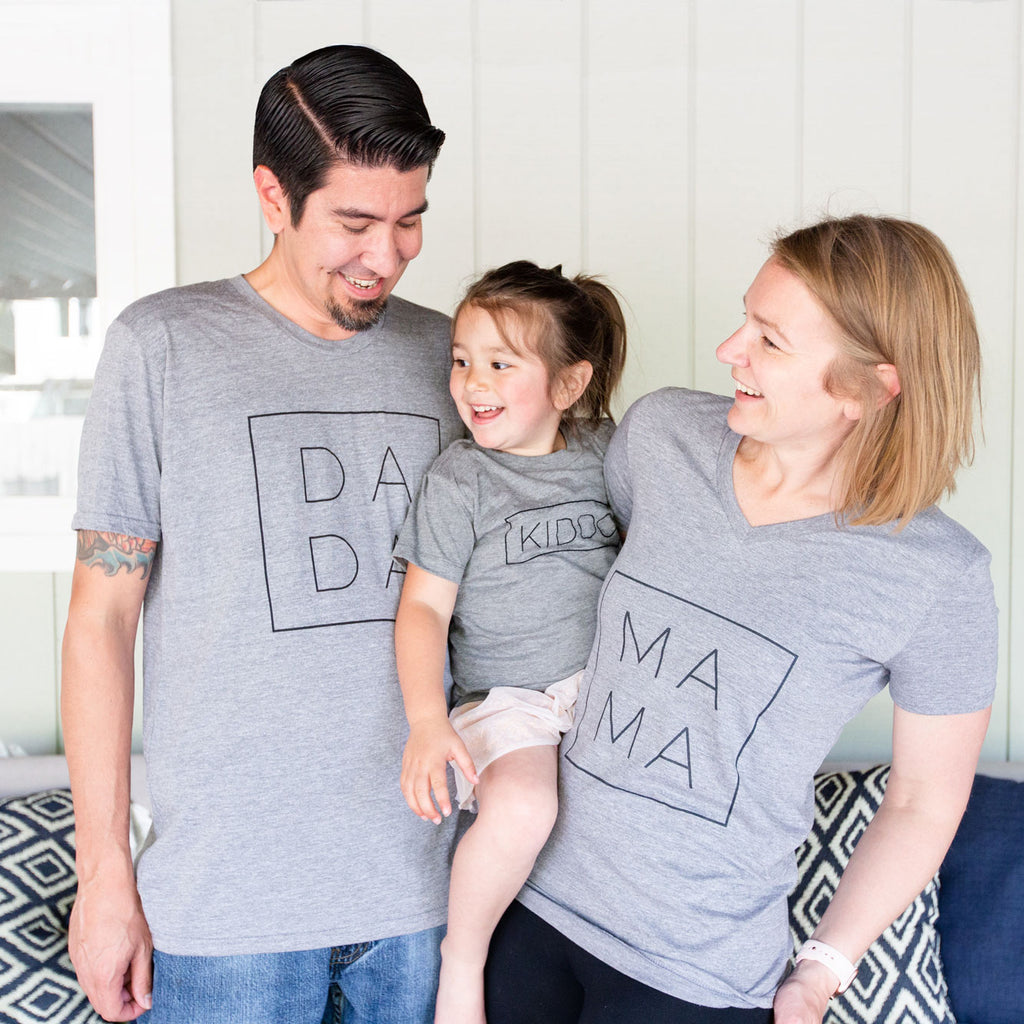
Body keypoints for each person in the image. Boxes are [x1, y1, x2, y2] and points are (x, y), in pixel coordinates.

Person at [482, 215, 998, 1024]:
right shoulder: (658, 439)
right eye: (744, 319)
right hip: (523, 907)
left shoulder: (938, 576)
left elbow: (925, 801)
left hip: (692, 975)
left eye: (771, 340)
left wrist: (822, 968)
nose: (731, 350)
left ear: (872, 385)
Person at [60, 45, 465, 1024]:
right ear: (272, 195)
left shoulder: (455, 358)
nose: (387, 255)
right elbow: (102, 618)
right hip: (225, 911)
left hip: (423, 900)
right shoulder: (161, 345)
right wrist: (105, 870)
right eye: (355, 224)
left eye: (410, 221)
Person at [393, 261, 628, 1024]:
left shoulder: (603, 453)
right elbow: (424, 608)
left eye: (500, 363)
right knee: (525, 807)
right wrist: (428, 722)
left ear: (567, 385)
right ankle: (463, 959)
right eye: (461, 359)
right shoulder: (461, 480)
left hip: (604, 692)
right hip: (511, 701)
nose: (472, 381)